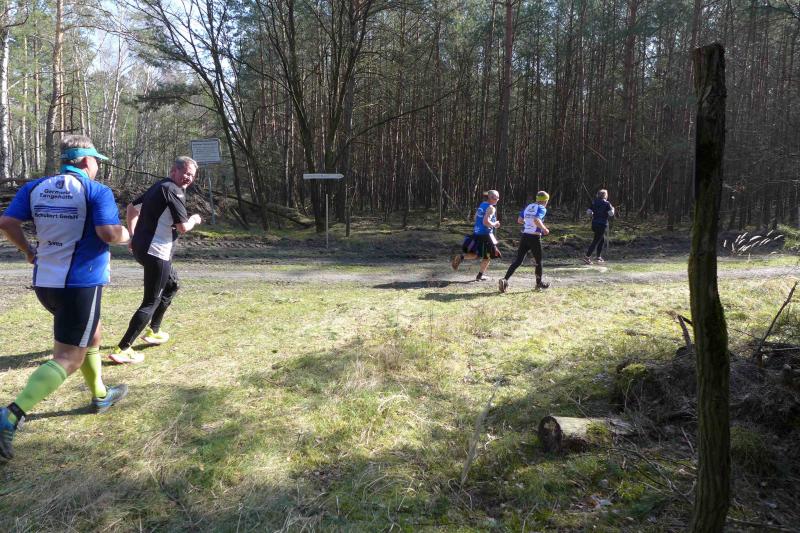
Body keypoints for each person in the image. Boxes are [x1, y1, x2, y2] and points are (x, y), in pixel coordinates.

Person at [0, 135, 131, 461]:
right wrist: (128, 232)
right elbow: (108, 233)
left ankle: (100, 395)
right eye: (96, 161)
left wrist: (28, 250)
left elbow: (7, 222)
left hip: (46, 282)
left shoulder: (34, 187)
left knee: (93, 332)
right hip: (80, 284)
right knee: (69, 356)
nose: (97, 167)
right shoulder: (96, 191)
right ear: (86, 161)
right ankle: (11, 414)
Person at [108, 156, 202, 364]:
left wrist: (133, 236)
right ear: (174, 170)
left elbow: (132, 208)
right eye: (186, 173)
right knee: (151, 300)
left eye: (192, 175)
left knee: (172, 284)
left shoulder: (159, 186)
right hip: (157, 252)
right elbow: (183, 227)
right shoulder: (173, 190)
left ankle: (154, 331)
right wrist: (194, 219)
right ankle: (123, 348)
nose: (188, 178)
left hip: (143, 248)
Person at [498, 191, 551, 293]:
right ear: (546, 201)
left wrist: (528, 224)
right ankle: (538, 284)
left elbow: (519, 220)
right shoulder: (542, 208)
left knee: (518, 261)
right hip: (534, 237)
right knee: (538, 262)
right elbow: (536, 220)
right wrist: (544, 229)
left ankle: (505, 280)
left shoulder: (529, 206)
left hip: (525, 236)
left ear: (537, 199)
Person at [451, 190, 501, 281]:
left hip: (477, 233)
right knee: (487, 257)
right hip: (486, 236)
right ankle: (480, 276)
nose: (497, 200)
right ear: (490, 198)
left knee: (476, 254)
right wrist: (495, 224)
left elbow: (475, 218)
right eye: (496, 198)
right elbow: (485, 222)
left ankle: (461, 257)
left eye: (498, 198)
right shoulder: (491, 208)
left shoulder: (482, 205)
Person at [583, 189, 615, 264]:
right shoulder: (607, 203)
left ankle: (598, 257)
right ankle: (587, 257)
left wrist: (593, 214)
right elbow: (611, 214)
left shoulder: (594, 202)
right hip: (602, 225)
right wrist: (613, 209)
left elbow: (588, 212)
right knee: (596, 240)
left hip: (594, 224)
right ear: (605, 196)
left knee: (602, 239)